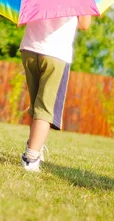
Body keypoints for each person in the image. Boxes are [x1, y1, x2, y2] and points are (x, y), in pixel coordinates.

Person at [19, 15, 92, 172]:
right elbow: (84, 24)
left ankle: (33, 143)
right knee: (45, 108)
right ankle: (31, 158)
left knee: (35, 104)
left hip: (29, 48)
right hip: (55, 53)